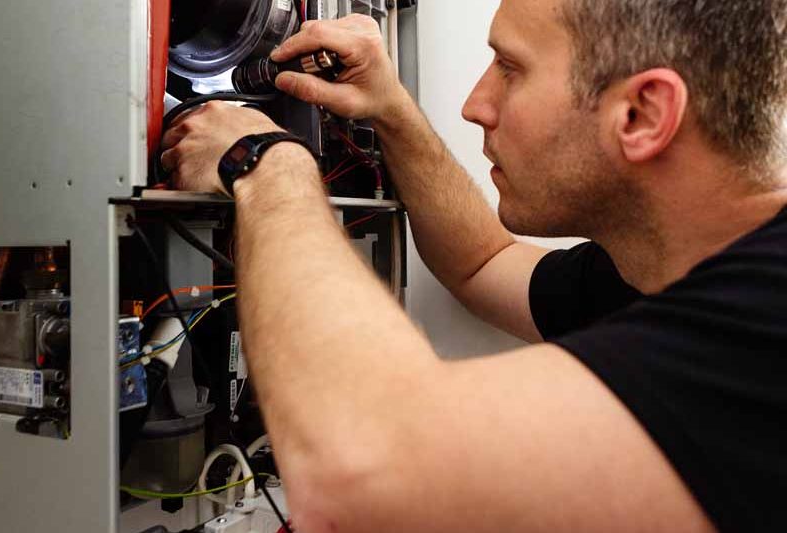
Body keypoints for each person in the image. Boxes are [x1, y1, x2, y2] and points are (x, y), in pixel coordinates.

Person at [160, 1, 787, 531]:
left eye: (510, 69)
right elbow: (485, 262)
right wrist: (391, 109)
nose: (474, 104)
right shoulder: (675, 271)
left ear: (642, 114)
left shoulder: (765, 320)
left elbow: (362, 468)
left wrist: (263, 161)